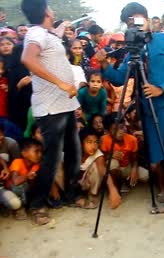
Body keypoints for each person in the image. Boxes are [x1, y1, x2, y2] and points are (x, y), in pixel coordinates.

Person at [96, 2, 164, 224]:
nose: (134, 27)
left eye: (137, 21)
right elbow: (119, 78)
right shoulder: (133, 52)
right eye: (129, 24)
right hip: (150, 113)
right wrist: (103, 65)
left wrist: (161, 88)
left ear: (147, 19)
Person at [21, 0, 85, 225]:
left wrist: (58, 29)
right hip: (51, 109)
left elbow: (51, 40)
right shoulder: (36, 33)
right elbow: (28, 59)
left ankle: (71, 194)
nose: (52, 10)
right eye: (49, 7)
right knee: (52, 158)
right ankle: (37, 205)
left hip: (65, 106)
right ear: (45, 11)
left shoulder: (46, 33)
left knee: (73, 153)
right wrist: (61, 83)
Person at [79, 128, 121, 209]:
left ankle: (92, 194)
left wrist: (112, 190)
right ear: (81, 143)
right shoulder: (74, 152)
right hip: (73, 184)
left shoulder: (98, 154)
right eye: (89, 142)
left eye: (95, 142)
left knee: (96, 167)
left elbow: (103, 171)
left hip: (85, 184)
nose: (93, 146)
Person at [5, 139, 43, 219]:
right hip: (13, 189)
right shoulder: (17, 162)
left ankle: (30, 205)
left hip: (26, 191)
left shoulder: (36, 165)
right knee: (20, 186)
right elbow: (15, 182)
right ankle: (20, 209)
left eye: (41, 152)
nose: (40, 155)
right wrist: (27, 176)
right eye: (36, 152)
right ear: (24, 153)